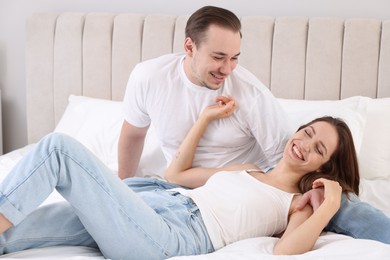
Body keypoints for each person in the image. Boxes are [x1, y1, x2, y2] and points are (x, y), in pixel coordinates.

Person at [118, 5, 390, 244]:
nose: (228, 68)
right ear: (189, 47)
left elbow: (284, 162)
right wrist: (122, 185)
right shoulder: (149, 77)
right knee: (115, 195)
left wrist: (280, 212)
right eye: (219, 57)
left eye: (235, 58)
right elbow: (133, 136)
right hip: (184, 190)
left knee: (329, 195)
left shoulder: (251, 95)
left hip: (246, 185)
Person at [0, 105, 357, 258]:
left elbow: (285, 252)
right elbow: (176, 175)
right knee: (12, 232)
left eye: (318, 148)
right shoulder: (246, 168)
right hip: (150, 205)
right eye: (307, 133)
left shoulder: (295, 201)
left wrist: (328, 205)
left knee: (58, 148)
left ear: (325, 166)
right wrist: (204, 118)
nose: (304, 144)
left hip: (173, 238)